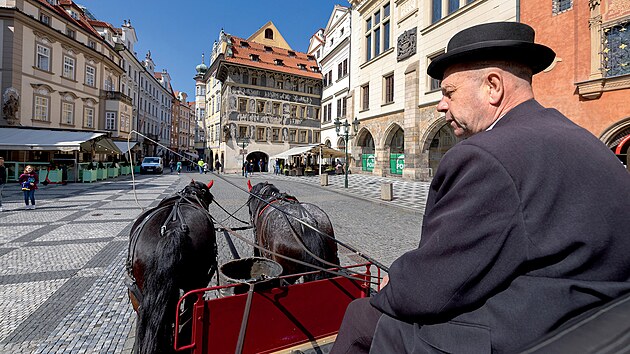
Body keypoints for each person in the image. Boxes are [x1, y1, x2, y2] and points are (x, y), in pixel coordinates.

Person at [331, 22, 630, 354]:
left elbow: (431, 286)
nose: (441, 105)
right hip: (596, 318)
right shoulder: (584, 138)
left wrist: (397, 283)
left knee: (361, 316)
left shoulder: (485, 155)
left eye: (449, 92)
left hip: (533, 333)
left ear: (493, 87)